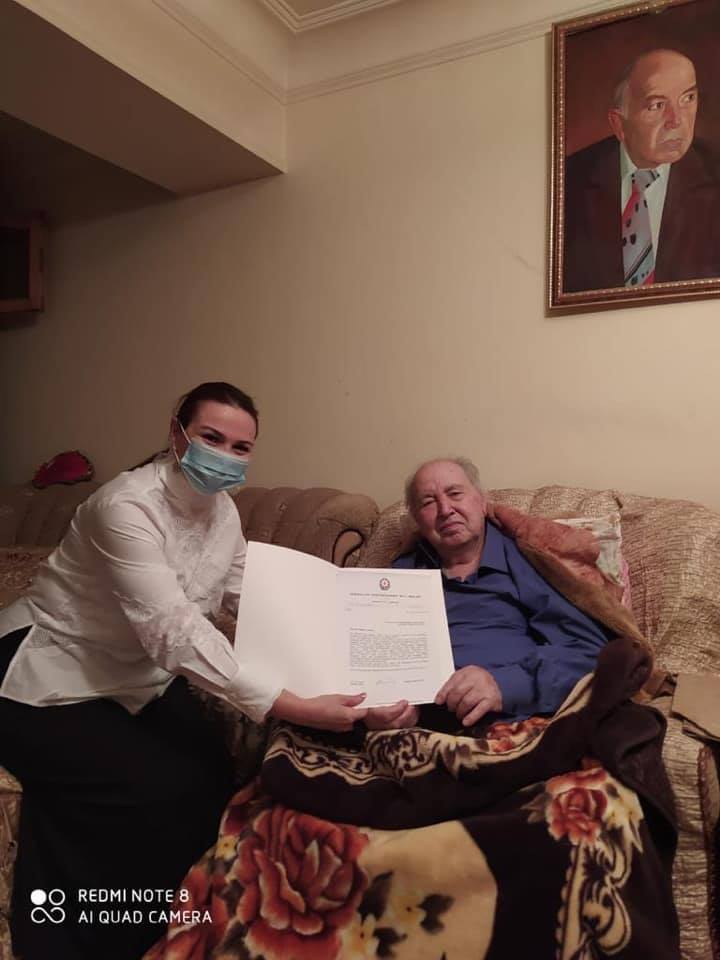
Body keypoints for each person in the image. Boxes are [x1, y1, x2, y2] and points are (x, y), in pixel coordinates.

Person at [0, 381, 368, 960]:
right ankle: (84, 938)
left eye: (240, 448)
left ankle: (173, 927)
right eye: (211, 438)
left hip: (138, 675)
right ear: (177, 433)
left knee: (210, 776)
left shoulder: (224, 515)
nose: (225, 456)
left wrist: (347, 655)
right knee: (142, 789)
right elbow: (173, 630)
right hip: (51, 667)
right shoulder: (123, 507)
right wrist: (289, 703)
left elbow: (256, 601)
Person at [367, 457, 612, 731]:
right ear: (417, 520)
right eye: (428, 502)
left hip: (513, 718)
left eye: (455, 493)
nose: (445, 509)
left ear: (483, 502)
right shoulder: (398, 576)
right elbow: (371, 663)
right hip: (424, 726)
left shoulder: (527, 561)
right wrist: (382, 708)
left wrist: (503, 685)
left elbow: (589, 653)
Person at [563, 48, 720, 292]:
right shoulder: (570, 179)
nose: (676, 120)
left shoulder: (713, 171)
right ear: (618, 124)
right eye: (657, 105)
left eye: (688, 98)